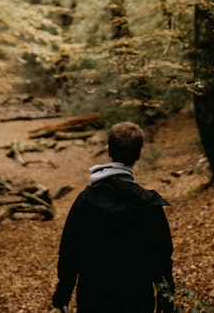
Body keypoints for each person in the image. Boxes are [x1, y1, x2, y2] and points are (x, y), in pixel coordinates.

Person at [52, 121, 174, 313]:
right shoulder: (148, 205)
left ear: (108, 150)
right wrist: (166, 301)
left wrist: (63, 294)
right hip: (137, 299)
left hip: (93, 298)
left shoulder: (86, 200)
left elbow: (69, 251)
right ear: (140, 153)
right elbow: (161, 258)